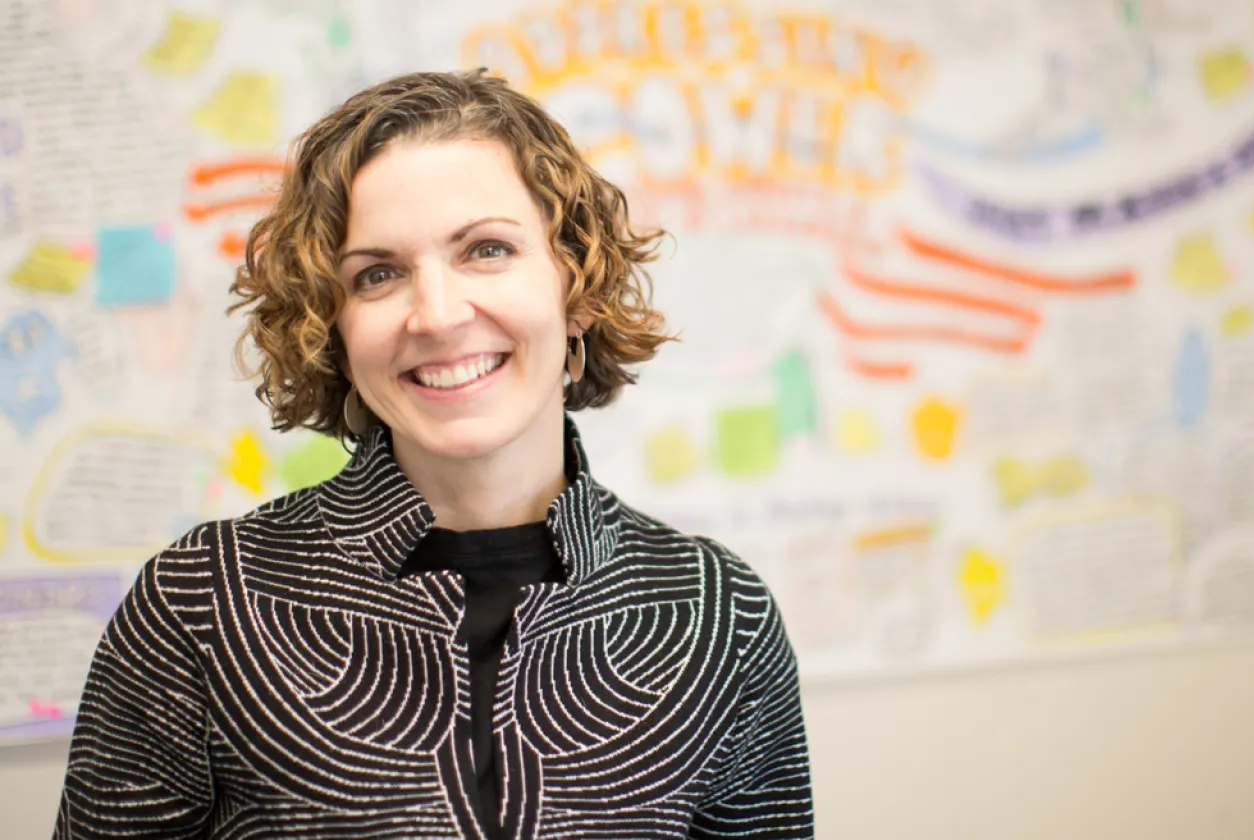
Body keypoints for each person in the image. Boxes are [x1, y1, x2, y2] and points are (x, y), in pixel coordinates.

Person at [53, 69, 813, 839]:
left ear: (575, 289)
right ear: (335, 332)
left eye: (487, 249)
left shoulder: (720, 612)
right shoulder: (199, 605)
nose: (440, 314)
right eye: (377, 274)